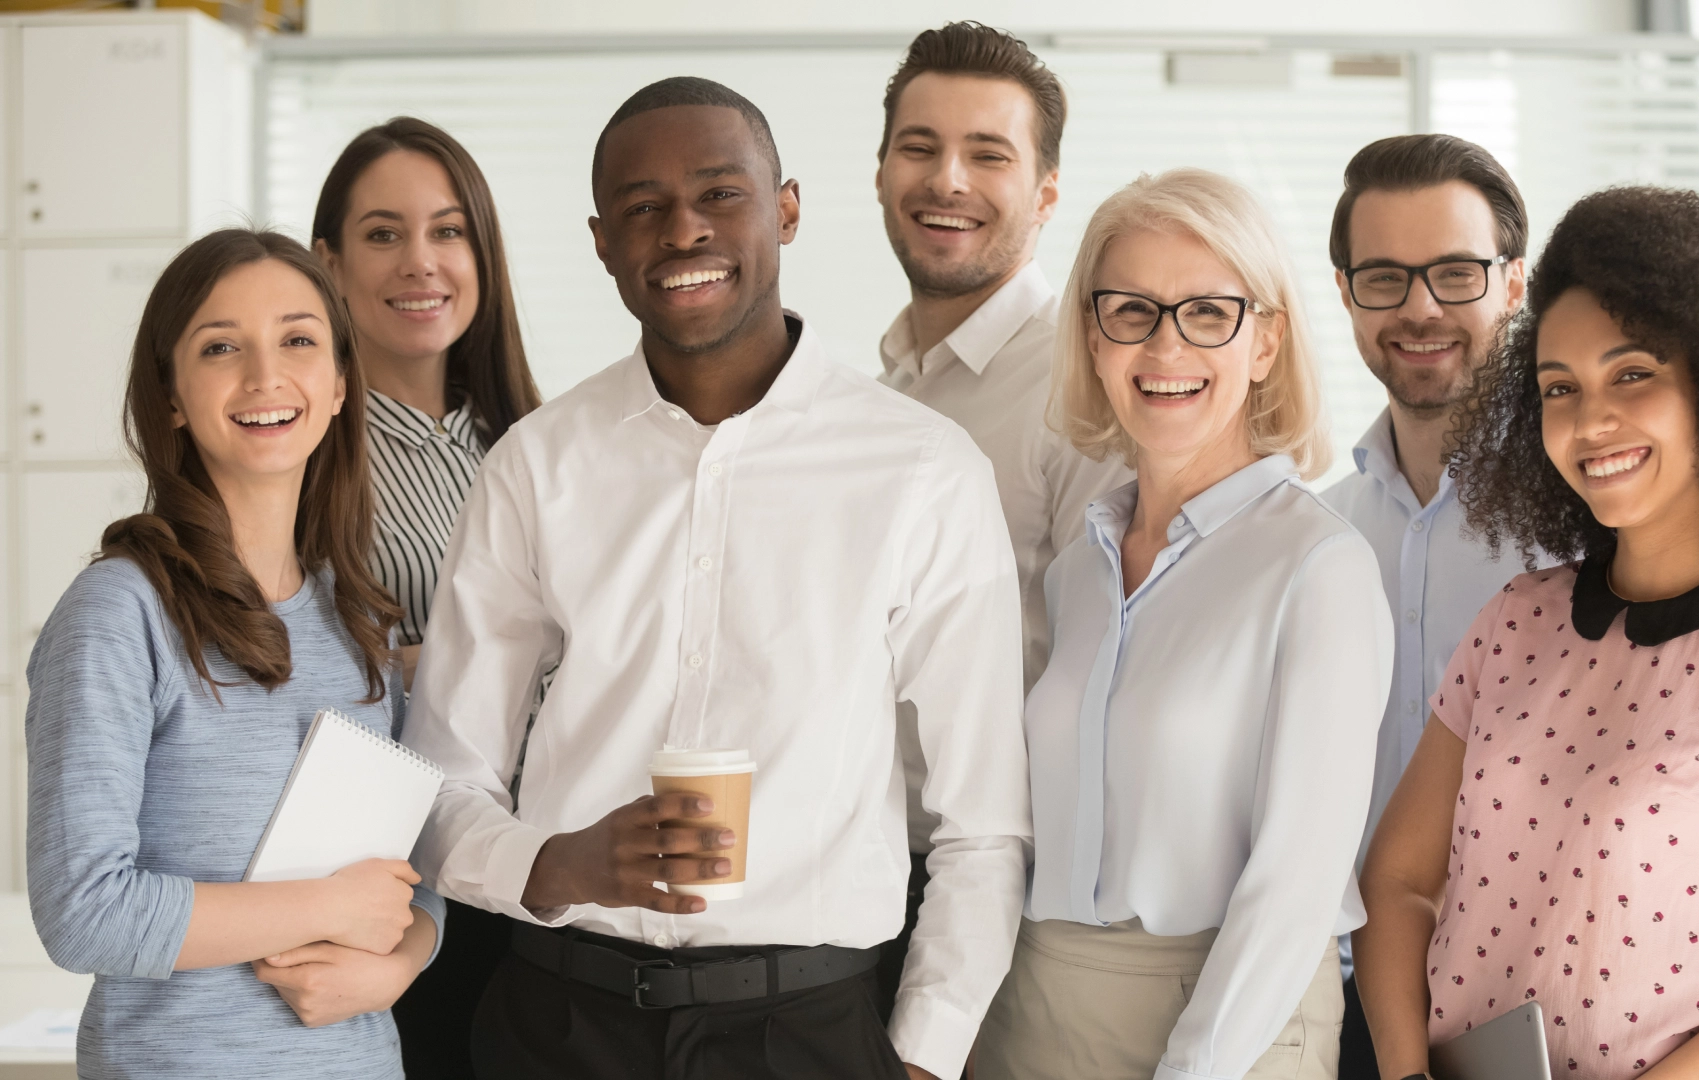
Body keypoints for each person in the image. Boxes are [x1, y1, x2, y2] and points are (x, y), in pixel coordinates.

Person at [401, 76, 1029, 1080]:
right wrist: (556, 863)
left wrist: (922, 1053)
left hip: (810, 1033)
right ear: (604, 242)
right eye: (643, 208)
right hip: (556, 1026)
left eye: (718, 194)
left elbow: (984, 826)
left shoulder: (923, 470)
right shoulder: (535, 464)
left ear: (784, 208)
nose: (681, 229)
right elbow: (445, 778)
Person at [1356, 187, 1699, 1080]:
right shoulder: (1515, 623)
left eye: (1633, 374)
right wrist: (1408, 1072)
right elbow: (1400, 880)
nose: (1588, 420)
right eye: (1559, 389)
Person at [973, 168, 1392, 1080]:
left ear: (1267, 341)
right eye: (1132, 310)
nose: (1165, 347)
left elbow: (1297, 883)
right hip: (1035, 1007)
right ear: (1093, 335)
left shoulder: (1319, 568)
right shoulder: (1083, 563)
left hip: (1233, 1022)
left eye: (1208, 312)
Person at [25, 228, 446, 1079]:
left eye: (297, 340)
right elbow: (84, 912)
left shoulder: (359, 619)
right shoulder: (120, 612)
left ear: (336, 387)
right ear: (172, 394)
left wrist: (398, 964)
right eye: (222, 347)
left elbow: (417, 872)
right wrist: (322, 908)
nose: (264, 377)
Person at [871, 21, 1133, 1005]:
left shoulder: (1083, 390)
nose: (948, 179)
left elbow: (1106, 686)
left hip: (1005, 900)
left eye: (989, 154)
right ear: (883, 169)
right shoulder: (887, 384)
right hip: (871, 882)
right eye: (919, 147)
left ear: (1046, 193)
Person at [311, 115, 541, 1080]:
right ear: (328, 263)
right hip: (387, 891)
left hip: (533, 884)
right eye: (382, 234)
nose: (422, 262)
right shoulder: (307, 447)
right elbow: (293, 669)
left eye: (448, 231)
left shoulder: (524, 442)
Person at [1317, 133, 1541, 1080]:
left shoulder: (1585, 533)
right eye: (1384, 277)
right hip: (1331, 1008)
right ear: (1343, 291)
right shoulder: (1313, 535)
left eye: (1455, 273)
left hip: (1530, 1007)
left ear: (1515, 284)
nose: (1418, 308)